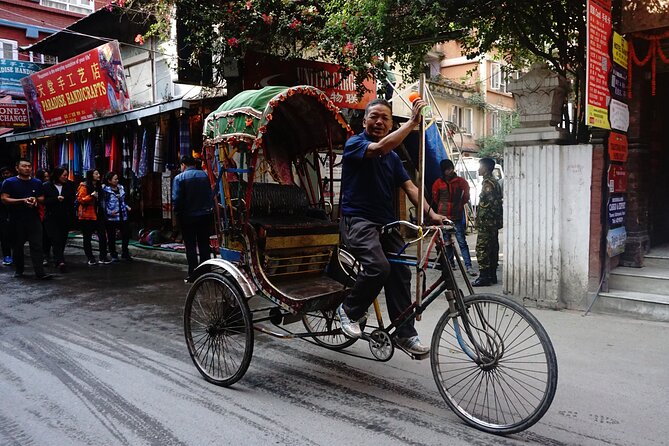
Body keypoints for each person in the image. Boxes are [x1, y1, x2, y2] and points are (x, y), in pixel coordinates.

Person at [336, 98, 448, 356]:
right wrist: (411, 123)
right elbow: (378, 148)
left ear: (390, 124)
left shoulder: (394, 158)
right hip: (358, 222)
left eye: (385, 118)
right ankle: (349, 310)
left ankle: (404, 333)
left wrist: (432, 214)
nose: (379, 122)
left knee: (401, 270)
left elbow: (410, 188)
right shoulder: (357, 144)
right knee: (378, 267)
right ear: (364, 121)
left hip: (386, 224)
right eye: (374, 117)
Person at [0, 159, 52, 279]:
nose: (27, 168)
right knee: (17, 246)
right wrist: (23, 200)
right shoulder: (9, 182)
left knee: (37, 245)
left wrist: (35, 199)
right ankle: (19, 269)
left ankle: (40, 272)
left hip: (33, 218)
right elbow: (4, 199)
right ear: (17, 168)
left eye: (29, 166)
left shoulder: (37, 182)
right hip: (16, 219)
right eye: (24, 166)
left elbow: (42, 198)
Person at [431, 159, 478, 276]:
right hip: (443, 217)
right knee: (447, 242)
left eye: (451, 168)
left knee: (461, 241)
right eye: (447, 169)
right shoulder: (438, 183)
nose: (450, 171)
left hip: (456, 216)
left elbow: (466, 197)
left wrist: (457, 206)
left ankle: (468, 266)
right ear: (443, 171)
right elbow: (435, 198)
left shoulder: (461, 182)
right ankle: (451, 263)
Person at [172, 155, 214, 279]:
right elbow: (210, 194)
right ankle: (206, 271)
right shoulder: (205, 176)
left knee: (190, 245)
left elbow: (177, 199)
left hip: (187, 216)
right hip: (205, 215)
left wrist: (178, 215)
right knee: (204, 244)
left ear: (183, 165)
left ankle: (193, 273)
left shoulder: (179, 178)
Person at [472, 157, 503, 287]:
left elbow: (489, 205)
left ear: (485, 169)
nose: (479, 169)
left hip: (487, 223)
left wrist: (481, 220)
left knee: (482, 248)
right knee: (492, 248)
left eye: (480, 167)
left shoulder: (488, 184)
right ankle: (492, 275)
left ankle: (484, 276)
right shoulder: (493, 182)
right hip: (492, 223)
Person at [43, 166, 76, 272]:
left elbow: (72, 199)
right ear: (57, 175)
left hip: (65, 216)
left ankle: (58, 258)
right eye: (64, 175)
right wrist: (55, 199)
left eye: (66, 175)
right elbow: (43, 201)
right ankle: (60, 260)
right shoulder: (46, 186)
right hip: (51, 217)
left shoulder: (69, 185)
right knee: (55, 238)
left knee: (62, 238)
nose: (66, 177)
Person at [77, 169, 112, 266]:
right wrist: (91, 196)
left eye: (98, 173)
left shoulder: (99, 186)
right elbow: (80, 199)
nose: (98, 175)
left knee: (103, 236)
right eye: (96, 174)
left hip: (98, 214)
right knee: (87, 237)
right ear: (91, 175)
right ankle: (90, 258)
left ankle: (103, 256)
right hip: (87, 215)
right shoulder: (84, 186)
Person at [102, 171, 132, 261]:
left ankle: (125, 253)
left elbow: (122, 201)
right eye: (115, 179)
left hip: (123, 215)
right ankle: (113, 254)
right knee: (111, 236)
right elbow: (103, 203)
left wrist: (127, 206)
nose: (117, 180)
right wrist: (108, 212)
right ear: (109, 180)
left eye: (117, 179)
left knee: (126, 234)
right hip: (111, 217)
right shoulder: (105, 190)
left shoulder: (121, 187)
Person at [36, 169, 52, 266]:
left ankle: (46, 254)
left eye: (47, 176)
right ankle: (43, 256)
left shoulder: (49, 187)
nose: (46, 178)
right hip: (39, 213)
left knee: (47, 236)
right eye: (44, 177)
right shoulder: (38, 186)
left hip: (47, 214)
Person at [0, 166, 13, 266]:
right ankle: (7, 255)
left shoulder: (15, 184)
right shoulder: (1, 185)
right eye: (4, 173)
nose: (5, 175)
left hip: (14, 212)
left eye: (7, 173)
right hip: (3, 213)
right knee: (4, 235)